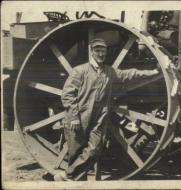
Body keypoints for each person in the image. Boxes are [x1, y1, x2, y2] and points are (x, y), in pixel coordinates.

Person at [54, 38, 160, 181]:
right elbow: (67, 95)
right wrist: (73, 117)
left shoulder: (109, 72)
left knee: (95, 149)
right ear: (92, 52)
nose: (101, 54)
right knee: (75, 153)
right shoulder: (80, 71)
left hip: (98, 120)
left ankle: (67, 176)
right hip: (77, 119)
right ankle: (74, 181)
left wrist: (153, 72)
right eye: (97, 51)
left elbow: (130, 73)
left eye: (103, 51)